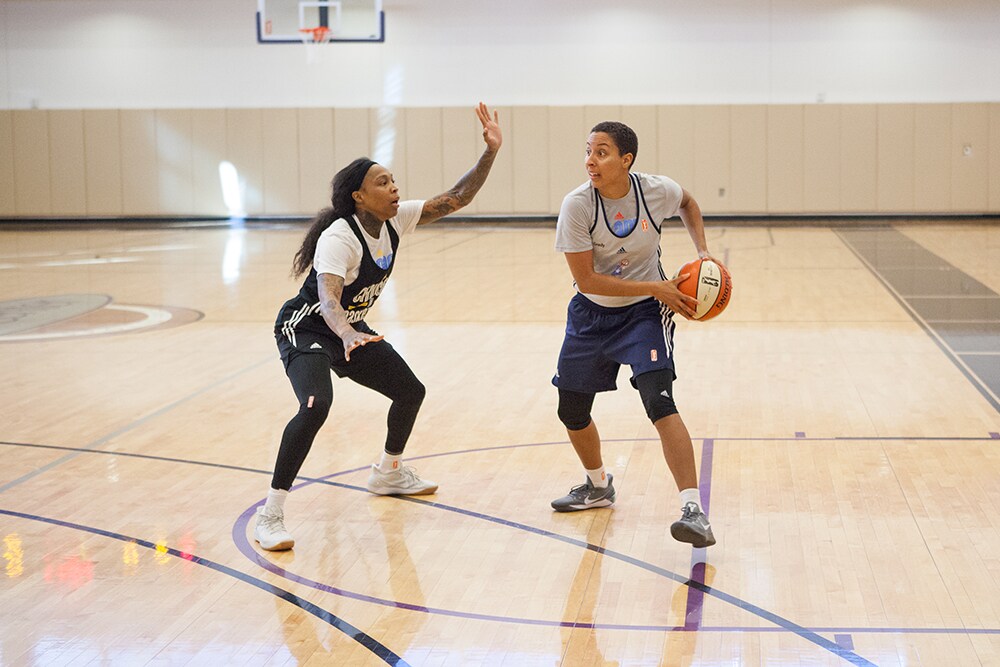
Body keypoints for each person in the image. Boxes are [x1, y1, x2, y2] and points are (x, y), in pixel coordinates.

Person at [254, 103, 502, 552]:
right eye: (382, 182)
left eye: (393, 180)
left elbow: (457, 197)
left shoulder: (396, 220)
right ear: (358, 197)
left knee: (410, 391)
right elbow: (328, 299)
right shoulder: (340, 237)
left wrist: (490, 151)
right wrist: (347, 334)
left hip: (349, 329)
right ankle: (270, 512)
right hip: (307, 329)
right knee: (314, 405)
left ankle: (388, 472)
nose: (394, 187)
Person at [550, 120, 717, 549]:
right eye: (588, 150)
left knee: (658, 401)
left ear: (627, 160)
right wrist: (656, 285)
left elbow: (690, 203)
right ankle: (597, 485)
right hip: (592, 314)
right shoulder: (577, 205)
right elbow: (586, 280)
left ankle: (693, 510)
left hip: (645, 314)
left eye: (602, 152)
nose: (591, 160)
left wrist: (702, 252)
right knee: (571, 409)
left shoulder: (654, 190)